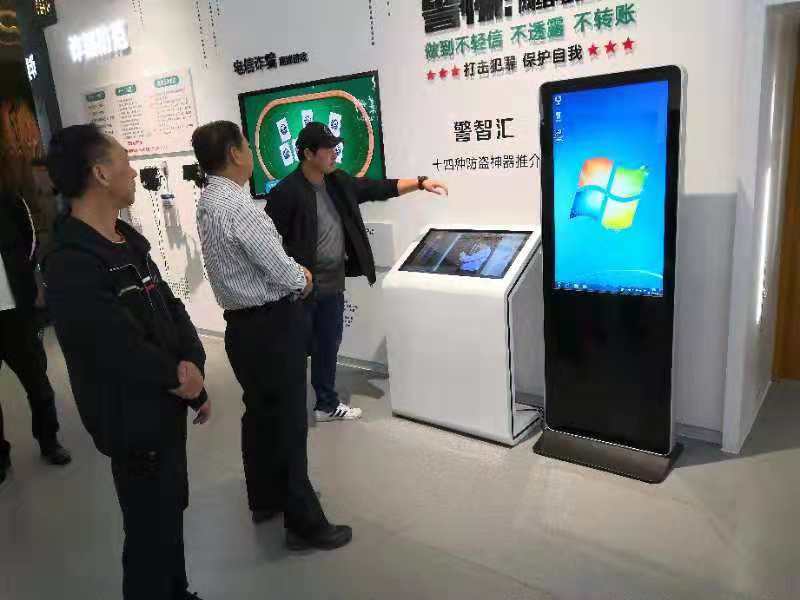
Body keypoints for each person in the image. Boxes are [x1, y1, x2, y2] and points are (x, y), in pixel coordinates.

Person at [43, 124, 211, 600]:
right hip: (131, 420)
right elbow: (114, 347)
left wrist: (193, 363)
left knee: (169, 513)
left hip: (165, 407)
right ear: (100, 173)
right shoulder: (70, 261)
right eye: (125, 162)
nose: (134, 172)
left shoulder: (126, 240)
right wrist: (180, 380)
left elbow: (169, 306)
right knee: (148, 532)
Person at [192, 120, 351, 551]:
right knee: (288, 424)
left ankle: (264, 498)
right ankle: (303, 521)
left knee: (260, 415)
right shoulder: (240, 207)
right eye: (245, 145)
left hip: (242, 329)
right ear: (233, 153)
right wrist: (303, 277)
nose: (250, 152)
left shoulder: (208, 201)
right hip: (272, 327)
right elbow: (282, 270)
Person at [267, 122, 448, 423]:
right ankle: (286, 409)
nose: (334, 153)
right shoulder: (286, 192)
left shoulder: (338, 182)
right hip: (300, 288)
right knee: (295, 349)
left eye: (335, 147)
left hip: (332, 285)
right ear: (309, 154)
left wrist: (419, 183)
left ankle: (326, 404)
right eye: (328, 148)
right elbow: (268, 241)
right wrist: (292, 271)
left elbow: (378, 188)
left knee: (327, 346)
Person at [0, 169, 71, 487]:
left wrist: (22, 277)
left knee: (38, 383)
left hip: (16, 313)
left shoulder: (9, 200)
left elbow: (30, 241)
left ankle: (49, 441)